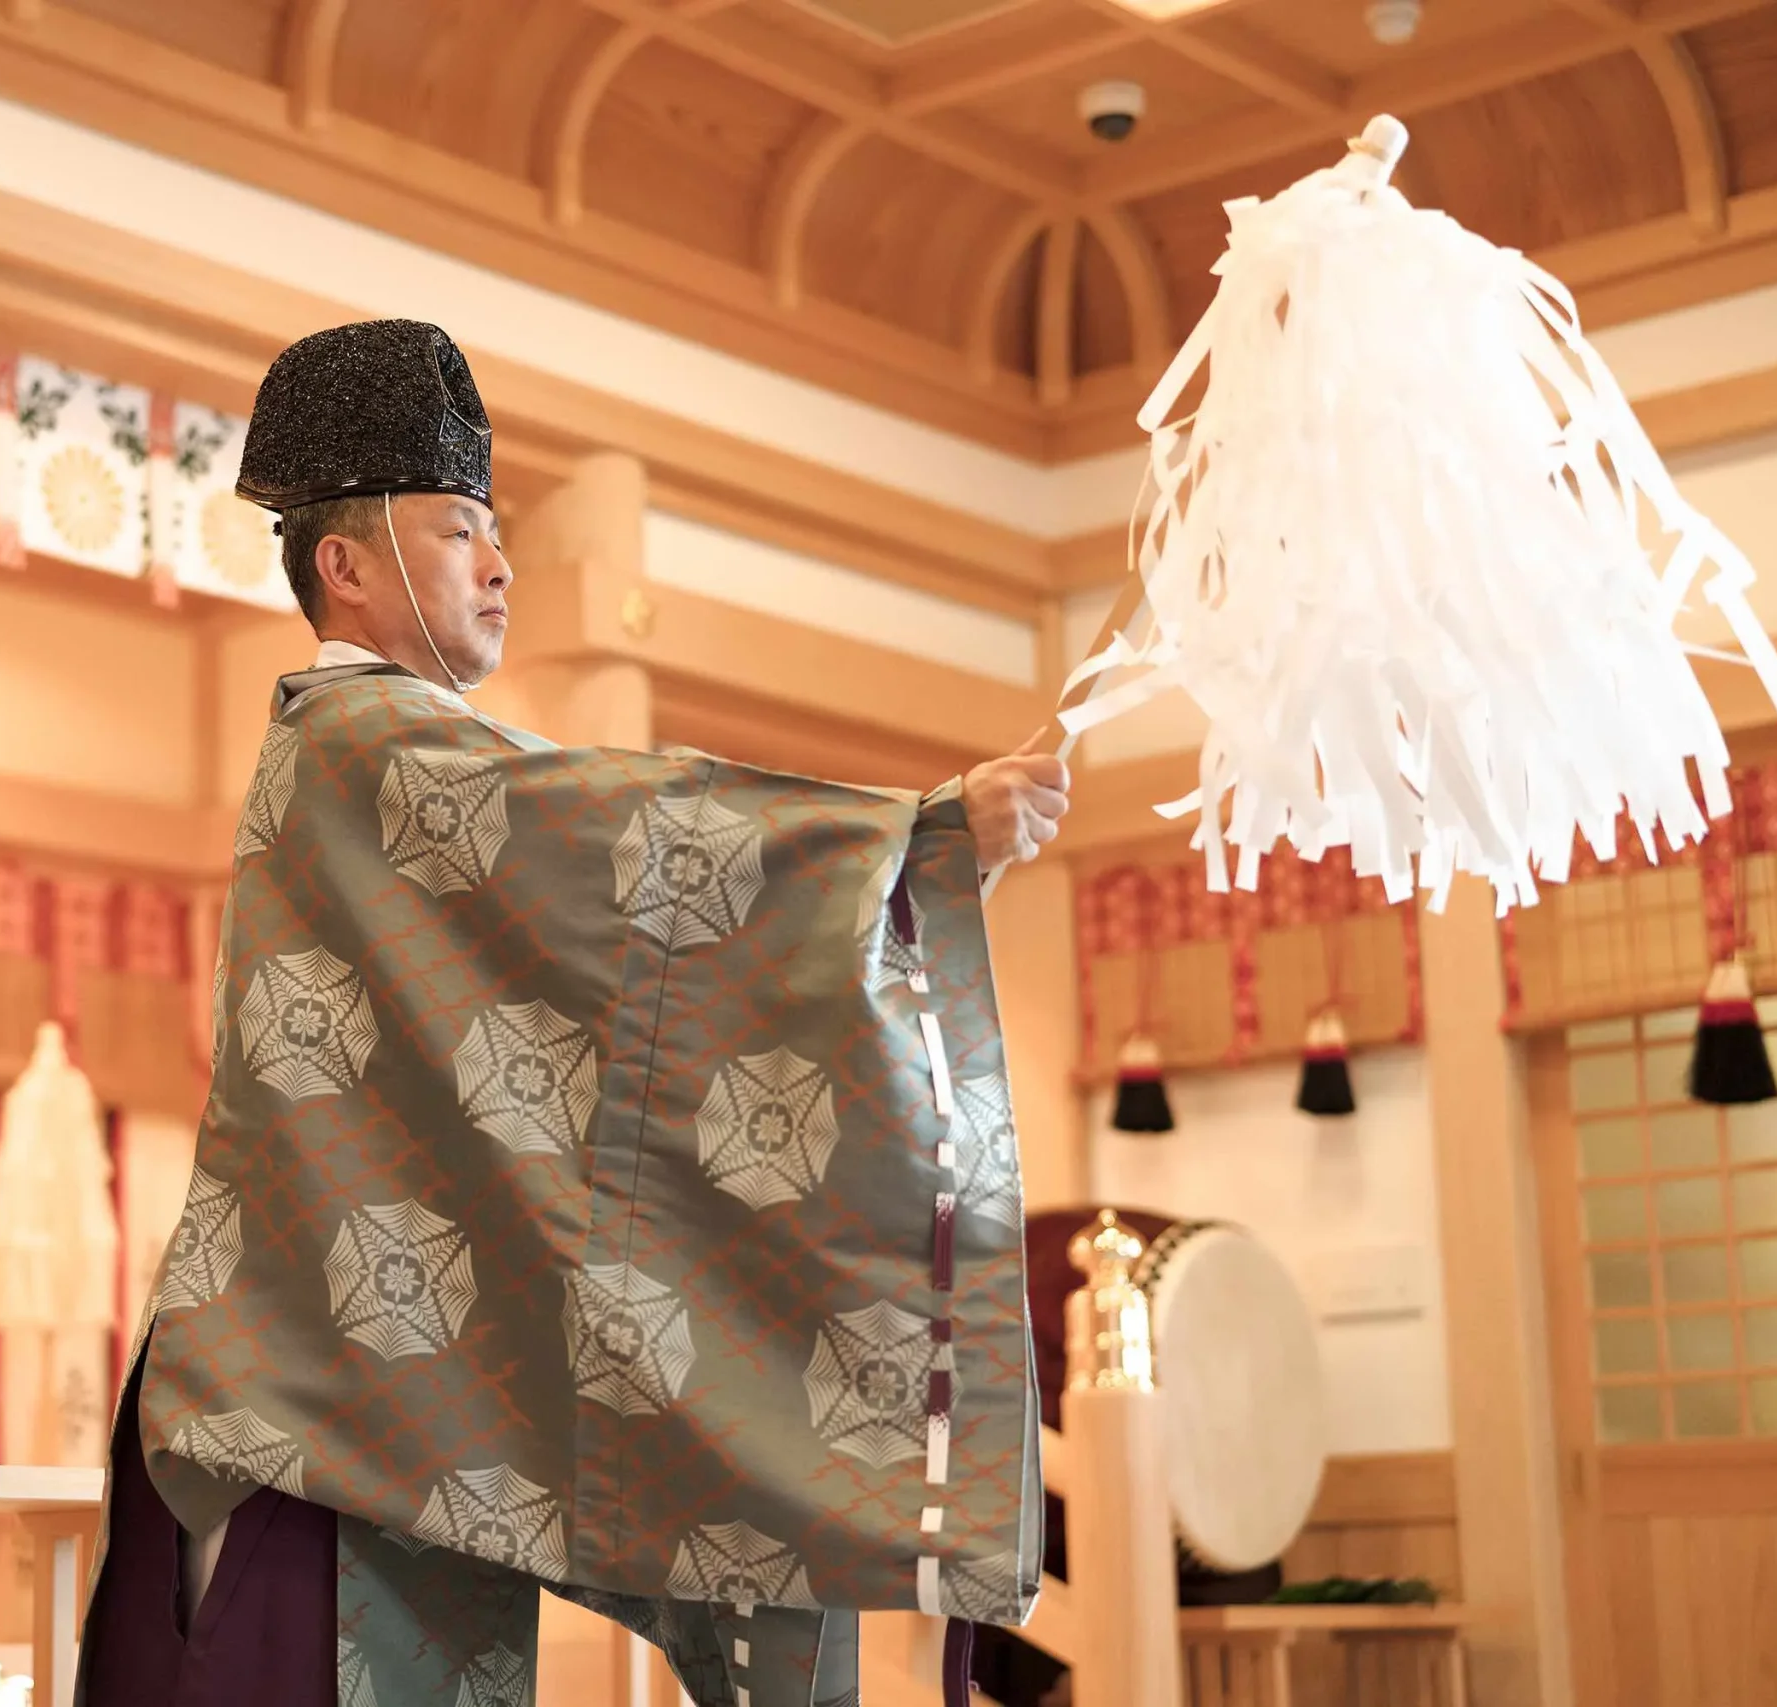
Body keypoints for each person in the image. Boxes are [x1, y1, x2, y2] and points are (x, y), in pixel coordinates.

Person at [79, 319, 1070, 1706]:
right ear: (345, 563)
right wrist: (915, 835)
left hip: (382, 1404)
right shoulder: (362, 745)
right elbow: (625, 843)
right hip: (313, 1415)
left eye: (498, 537)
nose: (495, 566)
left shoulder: (383, 758)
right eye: (456, 530)